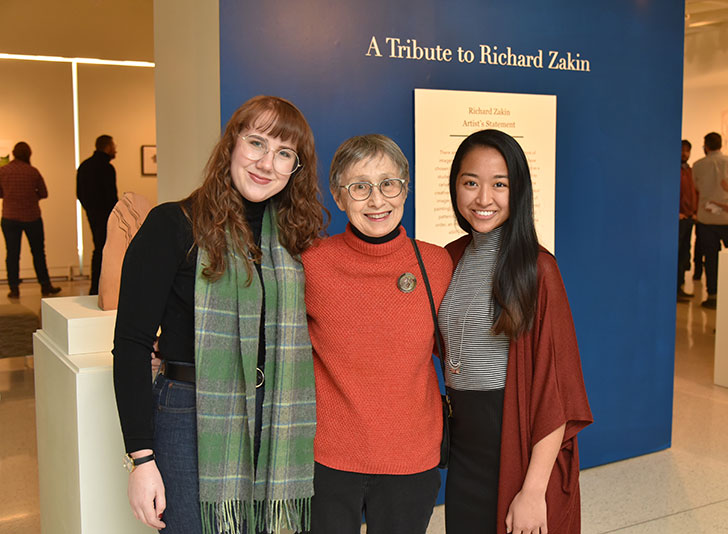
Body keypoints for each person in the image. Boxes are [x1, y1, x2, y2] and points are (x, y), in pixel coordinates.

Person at [112, 96, 325, 534]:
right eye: (257, 143)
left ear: (295, 169)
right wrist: (141, 459)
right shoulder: (172, 225)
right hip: (189, 415)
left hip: (276, 414)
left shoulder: (295, 240)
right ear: (231, 145)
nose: (267, 163)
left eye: (284, 153)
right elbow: (132, 346)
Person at [440, 130, 592, 534]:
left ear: (518, 190)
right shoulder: (448, 259)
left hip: (517, 441)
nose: (483, 198)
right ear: (455, 185)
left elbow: (555, 390)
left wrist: (533, 490)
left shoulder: (538, 270)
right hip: (464, 447)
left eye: (500, 185)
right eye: (471, 182)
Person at [302, 134, 451, 533]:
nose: (377, 200)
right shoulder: (311, 263)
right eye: (360, 187)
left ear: (406, 187)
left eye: (389, 183)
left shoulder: (436, 264)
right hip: (328, 459)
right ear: (338, 196)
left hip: (410, 458)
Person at [0, 142, 61, 298]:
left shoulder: (3, 171)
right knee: (38, 253)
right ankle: (45, 285)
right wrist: (31, 196)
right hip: (32, 217)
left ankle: (14, 288)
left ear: (13, 153)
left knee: (12, 254)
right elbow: (44, 193)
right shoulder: (33, 172)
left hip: (9, 217)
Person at [692, 132, 728, 309]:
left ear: (706, 146)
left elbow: (697, 187)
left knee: (710, 259)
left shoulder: (698, 165)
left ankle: (713, 294)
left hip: (707, 217)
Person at [77, 134, 119, 295]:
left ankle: (95, 287)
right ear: (107, 147)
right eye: (114, 146)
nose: (115, 149)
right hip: (106, 215)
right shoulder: (107, 168)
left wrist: (90, 209)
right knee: (105, 250)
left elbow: (79, 193)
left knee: (98, 248)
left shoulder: (84, 166)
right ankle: (104, 286)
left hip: (93, 214)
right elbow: (111, 195)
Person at [678, 140, 697, 301]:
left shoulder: (689, 171)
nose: (685, 153)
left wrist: (694, 212)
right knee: (678, 253)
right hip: (679, 218)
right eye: (682, 150)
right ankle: (676, 288)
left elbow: (692, 192)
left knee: (685, 252)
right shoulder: (675, 170)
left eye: (687, 151)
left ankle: (681, 286)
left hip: (689, 217)